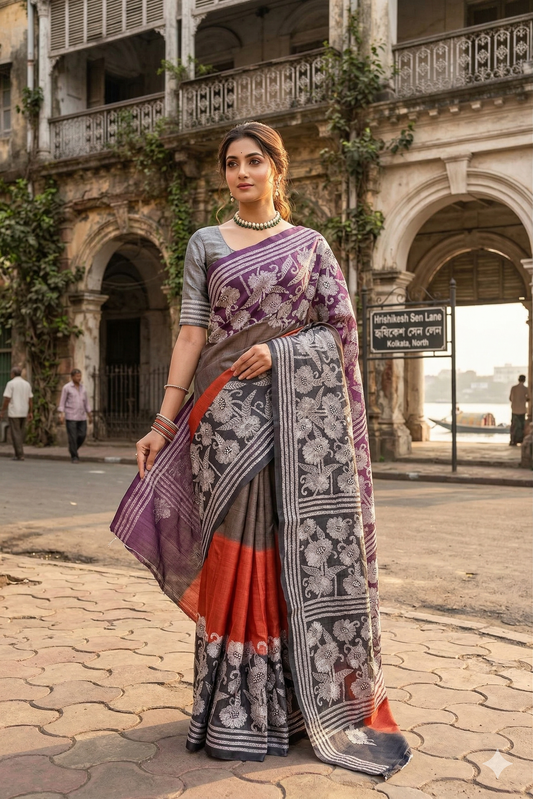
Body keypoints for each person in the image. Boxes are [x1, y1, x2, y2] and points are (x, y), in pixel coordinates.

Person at [112, 122, 411, 778]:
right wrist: (163, 422)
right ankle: (233, 704)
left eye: (254, 161)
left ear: (278, 169)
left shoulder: (309, 246)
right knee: (233, 559)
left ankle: (294, 703)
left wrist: (280, 349)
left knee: (286, 554)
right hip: (220, 420)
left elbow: (339, 331)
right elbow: (191, 333)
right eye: (231, 163)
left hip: (292, 423)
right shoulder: (204, 243)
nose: (241, 172)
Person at [58, 369, 92, 463]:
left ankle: (73, 448)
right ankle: (74, 456)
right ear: (72, 377)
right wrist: (61, 415)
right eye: (77, 376)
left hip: (81, 416)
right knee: (72, 436)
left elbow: (86, 403)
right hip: (71, 416)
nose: (79, 378)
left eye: (80, 376)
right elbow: (62, 402)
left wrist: (90, 415)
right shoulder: (67, 388)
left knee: (82, 435)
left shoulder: (83, 388)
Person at [0, 366, 33, 461]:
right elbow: (30, 399)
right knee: (20, 433)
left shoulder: (11, 384)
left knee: (16, 433)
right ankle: (18, 453)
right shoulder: (26, 384)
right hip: (24, 411)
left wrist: (3, 410)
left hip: (14, 411)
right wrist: (30, 411)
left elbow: (7, 398)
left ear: (13, 374)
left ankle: (20, 454)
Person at [509, 374, 529, 446]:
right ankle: (520, 440)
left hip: (514, 410)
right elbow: (528, 398)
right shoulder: (526, 389)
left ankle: (513, 440)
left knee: (514, 425)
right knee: (521, 426)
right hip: (522, 410)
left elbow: (510, 398)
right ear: (524, 380)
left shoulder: (513, 388)